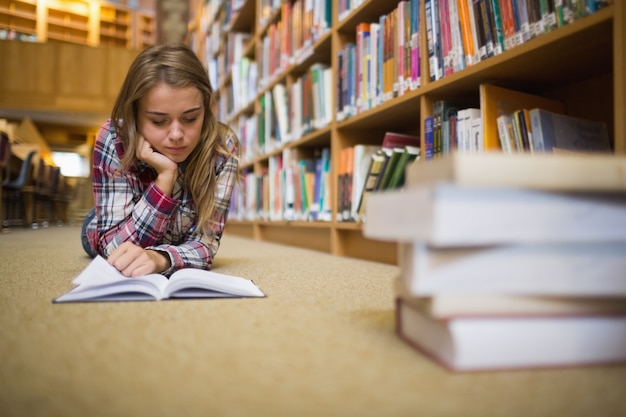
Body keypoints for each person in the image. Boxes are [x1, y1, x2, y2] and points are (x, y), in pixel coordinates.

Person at [81, 43, 239, 278]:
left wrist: (160, 258)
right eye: (158, 121)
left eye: (190, 118)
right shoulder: (114, 137)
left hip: (168, 233)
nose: (176, 134)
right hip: (110, 221)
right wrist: (165, 179)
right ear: (134, 114)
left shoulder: (223, 148)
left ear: (205, 109)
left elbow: (205, 246)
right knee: (90, 237)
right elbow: (113, 250)